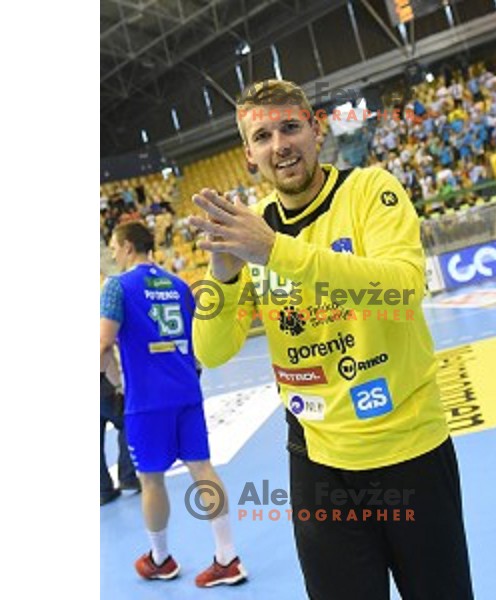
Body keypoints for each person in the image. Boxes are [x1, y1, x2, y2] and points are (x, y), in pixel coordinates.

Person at [190, 79, 474, 599]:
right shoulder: (253, 229)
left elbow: (403, 288)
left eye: (291, 127)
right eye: (263, 137)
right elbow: (211, 351)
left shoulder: (370, 191)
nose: (280, 145)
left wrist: (277, 252)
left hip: (407, 445)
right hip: (318, 462)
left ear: (316, 130)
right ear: (249, 156)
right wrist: (222, 272)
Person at [100, 221, 247, 587]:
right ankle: (227, 557)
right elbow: (197, 342)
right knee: (203, 470)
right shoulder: (180, 285)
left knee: (151, 481)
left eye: (115, 247)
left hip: (146, 402)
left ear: (128, 247)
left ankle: (160, 558)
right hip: (186, 392)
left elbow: (103, 345)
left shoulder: (116, 287)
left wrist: (114, 383)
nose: (114, 254)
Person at [100, 347, 140, 506]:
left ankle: (103, 490)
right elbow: (104, 352)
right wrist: (117, 386)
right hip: (105, 391)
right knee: (127, 424)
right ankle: (127, 476)